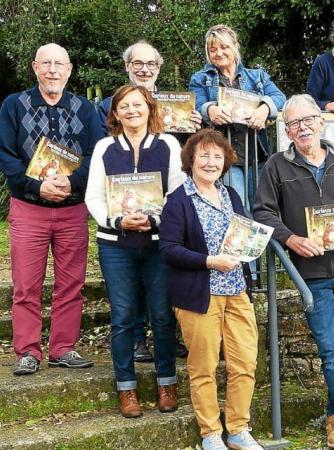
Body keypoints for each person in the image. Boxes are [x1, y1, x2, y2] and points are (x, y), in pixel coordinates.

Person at [253, 94, 334, 450]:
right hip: (312, 272)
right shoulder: (276, 166)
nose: (302, 127)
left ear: (321, 122)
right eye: (294, 124)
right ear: (287, 131)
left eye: (308, 120)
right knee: (330, 349)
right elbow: (262, 212)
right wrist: (292, 240)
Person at [0, 43, 102, 376]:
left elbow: (96, 155)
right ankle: (28, 351)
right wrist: (37, 186)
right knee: (26, 284)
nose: (53, 70)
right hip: (28, 207)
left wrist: (73, 185)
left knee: (71, 283)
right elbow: (6, 155)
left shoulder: (85, 108)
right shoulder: (14, 105)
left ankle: (63, 348)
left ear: (69, 69)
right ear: (35, 67)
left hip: (73, 209)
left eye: (59, 64)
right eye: (46, 64)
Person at [85, 85, 186, 418]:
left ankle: (166, 383)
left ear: (149, 108)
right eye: (124, 106)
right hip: (116, 245)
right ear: (115, 113)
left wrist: (156, 220)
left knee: (161, 315)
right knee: (123, 317)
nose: (131, 111)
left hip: (158, 245)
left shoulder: (168, 144)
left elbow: (176, 193)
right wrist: (117, 221)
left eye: (138, 105)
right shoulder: (104, 148)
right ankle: (126, 389)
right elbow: (94, 197)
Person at [159, 129, 261, 450]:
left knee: (244, 362)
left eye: (218, 156)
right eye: (203, 155)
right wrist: (209, 261)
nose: (211, 162)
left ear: (226, 161)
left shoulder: (231, 195)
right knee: (203, 366)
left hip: (236, 290)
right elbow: (169, 250)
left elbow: (245, 234)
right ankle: (211, 433)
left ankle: (238, 430)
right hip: (198, 295)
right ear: (190, 160)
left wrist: (253, 247)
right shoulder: (178, 201)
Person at [98, 39, 196, 364]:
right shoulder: (114, 104)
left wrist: (192, 126)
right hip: (122, 208)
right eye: (137, 64)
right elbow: (108, 152)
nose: (144, 69)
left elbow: (180, 160)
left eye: (150, 64)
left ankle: (166, 339)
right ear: (127, 67)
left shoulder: (175, 103)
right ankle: (138, 340)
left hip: (163, 209)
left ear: (158, 68)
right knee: (131, 283)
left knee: (164, 279)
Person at [189, 24, 286, 208]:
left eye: (224, 47)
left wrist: (264, 109)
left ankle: (266, 238)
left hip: (258, 156)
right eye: (213, 49)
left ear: (235, 46)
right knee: (238, 207)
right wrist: (210, 110)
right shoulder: (200, 78)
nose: (219, 53)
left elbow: (280, 97)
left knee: (264, 207)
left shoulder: (256, 76)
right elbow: (197, 103)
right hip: (226, 156)